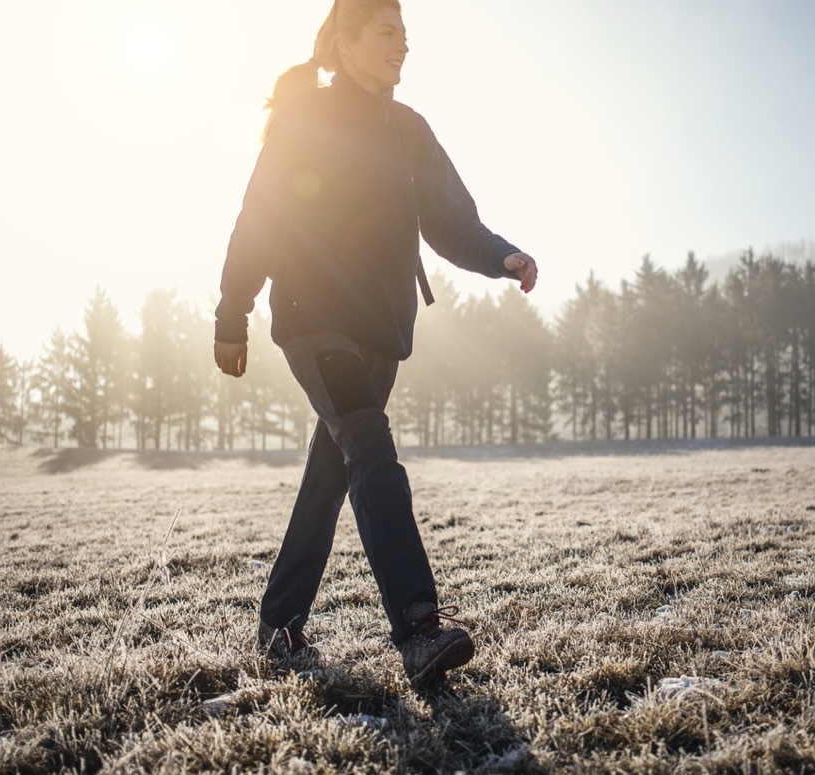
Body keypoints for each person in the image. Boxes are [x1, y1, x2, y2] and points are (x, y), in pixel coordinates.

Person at [212, 0, 538, 688]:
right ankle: (418, 626)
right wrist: (231, 313)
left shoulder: (408, 130)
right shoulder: (305, 118)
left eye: (407, 37)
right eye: (388, 34)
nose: (402, 47)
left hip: (382, 333)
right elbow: (259, 219)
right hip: (314, 318)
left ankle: (278, 624)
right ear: (348, 43)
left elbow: (451, 216)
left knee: (332, 474)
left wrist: (501, 255)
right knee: (370, 446)